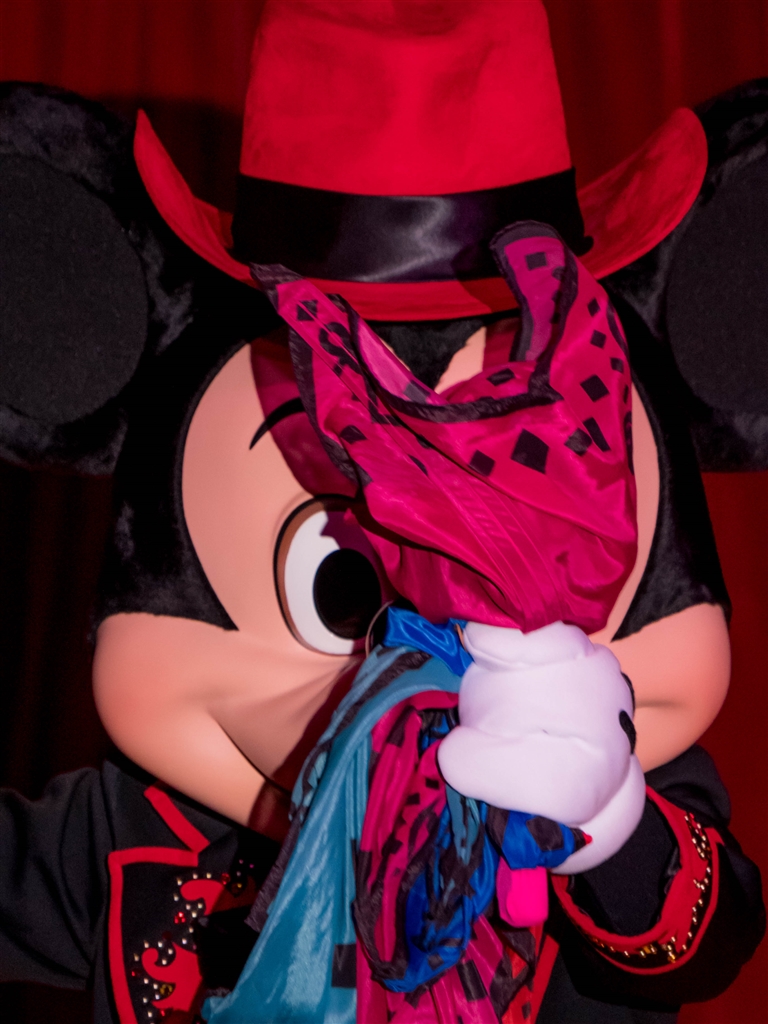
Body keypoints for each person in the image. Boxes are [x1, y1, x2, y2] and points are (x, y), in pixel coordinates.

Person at [0, 3, 765, 1022]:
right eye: (348, 591)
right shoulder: (130, 833)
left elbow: (706, 940)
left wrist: (611, 818)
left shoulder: (624, 789)